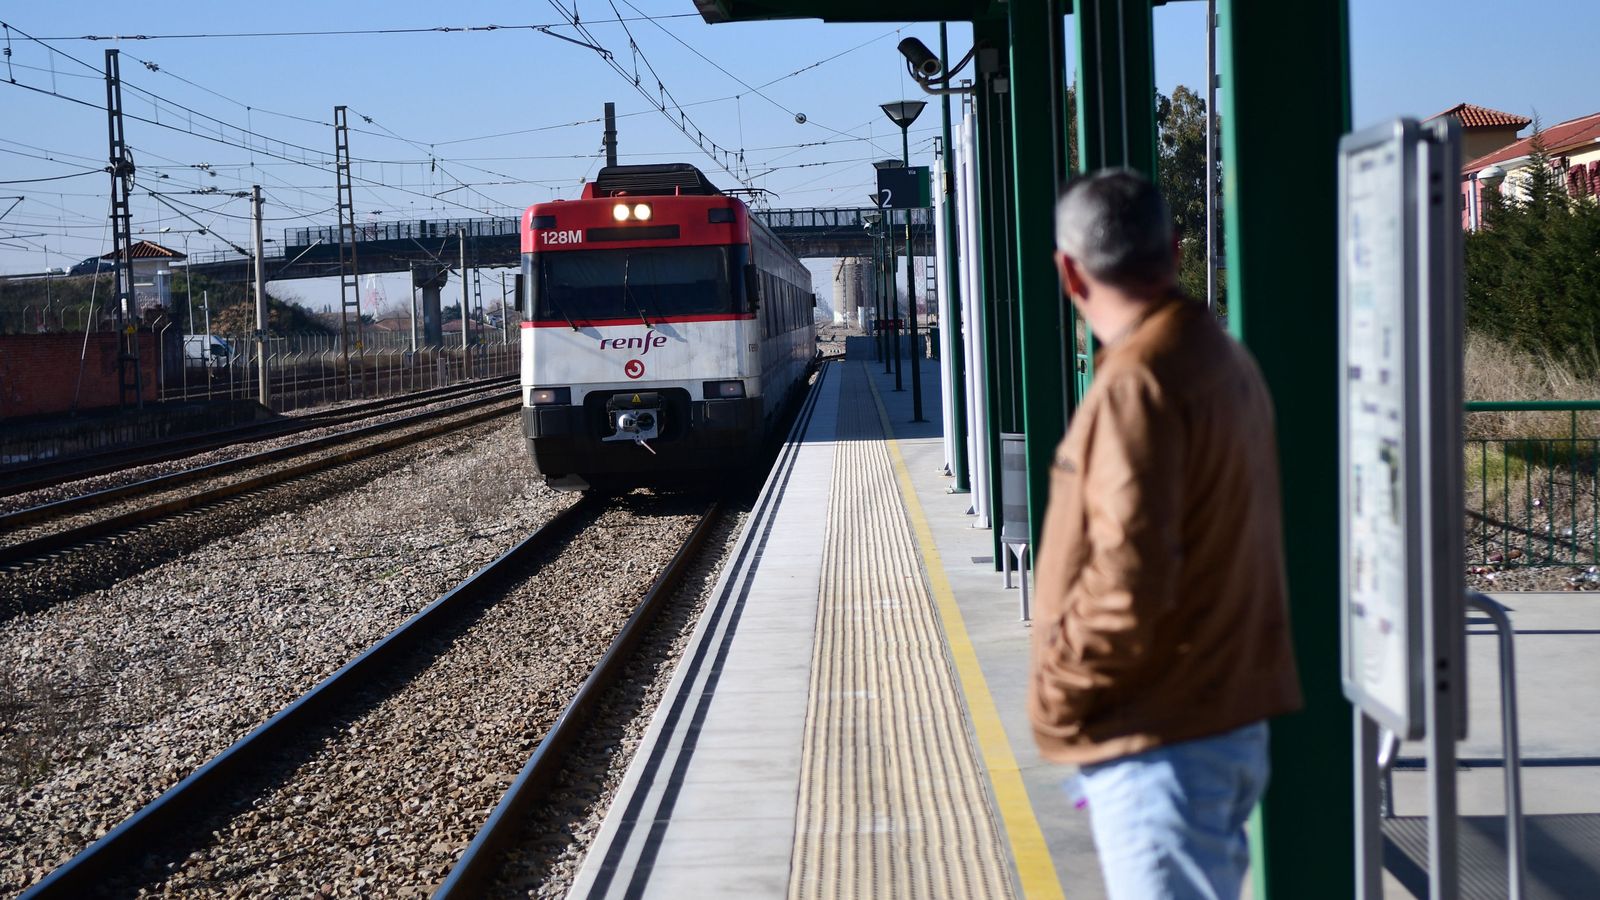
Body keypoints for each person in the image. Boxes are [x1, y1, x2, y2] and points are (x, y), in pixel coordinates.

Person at [1028, 169, 1302, 900]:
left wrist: (1057, 689)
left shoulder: (1136, 384)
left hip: (1162, 735)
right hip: (1212, 720)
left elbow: (1128, 576)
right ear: (1174, 253)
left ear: (1069, 271)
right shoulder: (1216, 354)